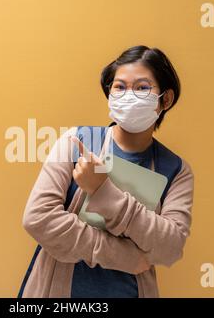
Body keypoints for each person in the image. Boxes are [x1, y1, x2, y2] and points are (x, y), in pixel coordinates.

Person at [18, 45, 194, 298]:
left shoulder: (175, 170)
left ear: (165, 99)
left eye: (142, 88)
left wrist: (103, 192)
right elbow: (38, 218)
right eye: (119, 87)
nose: (128, 95)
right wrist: (122, 256)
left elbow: (170, 247)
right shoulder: (76, 142)